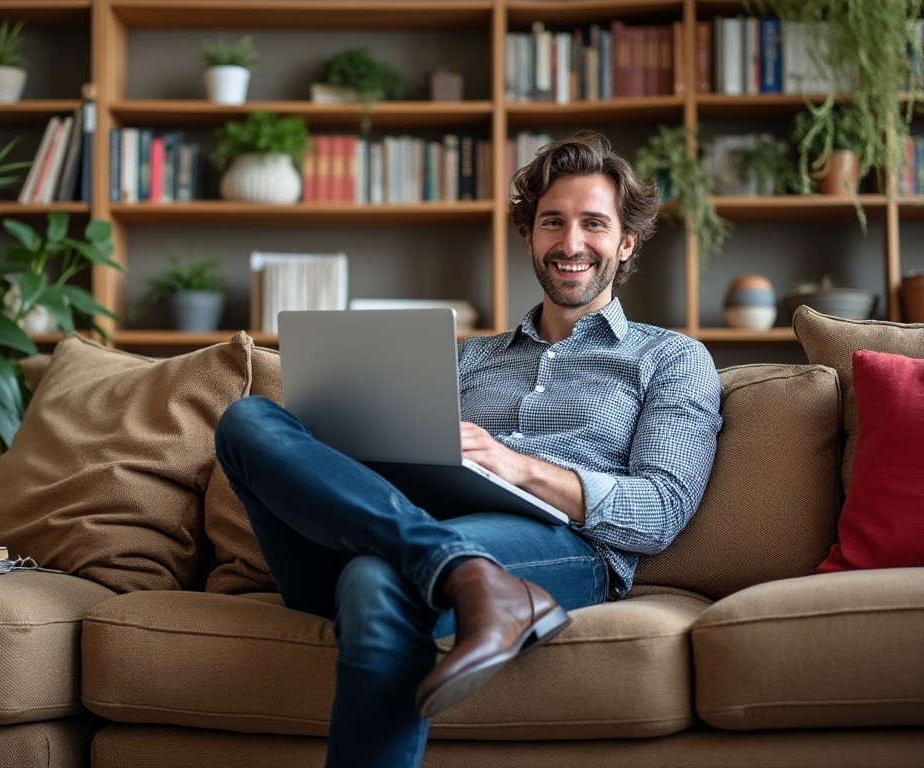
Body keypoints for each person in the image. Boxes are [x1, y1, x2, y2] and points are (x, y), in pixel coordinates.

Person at [214, 130, 722, 768]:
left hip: (562, 548)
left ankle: (457, 572)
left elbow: (661, 508)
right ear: (529, 237)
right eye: (552, 222)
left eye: (593, 224)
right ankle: (457, 570)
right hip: (394, 529)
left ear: (626, 243)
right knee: (248, 420)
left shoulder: (670, 358)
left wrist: (515, 467)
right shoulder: (464, 359)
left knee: (380, 576)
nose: (570, 243)